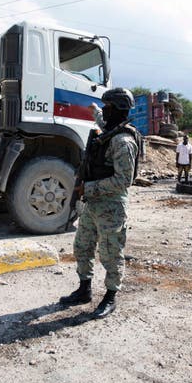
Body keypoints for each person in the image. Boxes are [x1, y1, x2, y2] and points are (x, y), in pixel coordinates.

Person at [60, 88, 141, 319]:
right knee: (82, 246)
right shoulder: (111, 130)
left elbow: (123, 180)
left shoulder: (123, 141)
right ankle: (84, 289)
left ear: (116, 109)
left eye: (107, 107)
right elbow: (101, 120)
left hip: (111, 206)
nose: (104, 111)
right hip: (93, 203)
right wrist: (92, 109)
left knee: (110, 253)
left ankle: (110, 297)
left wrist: (88, 188)